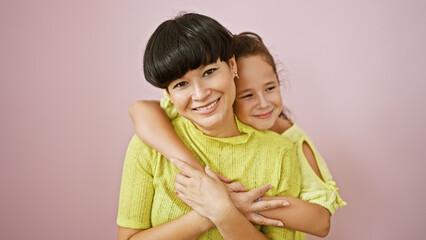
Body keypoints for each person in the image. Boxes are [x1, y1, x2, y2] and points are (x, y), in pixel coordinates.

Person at [127, 30, 346, 239]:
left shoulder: (291, 141)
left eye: (270, 88)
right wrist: (204, 183)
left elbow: (321, 222)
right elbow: (141, 110)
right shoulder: (203, 105)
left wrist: (231, 203)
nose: (263, 104)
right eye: (247, 95)